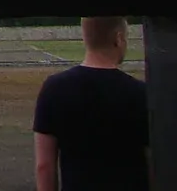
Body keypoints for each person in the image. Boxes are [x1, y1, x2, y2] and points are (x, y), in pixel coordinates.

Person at [31, 15, 149, 190]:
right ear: (118, 38)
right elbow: (153, 163)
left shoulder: (54, 89)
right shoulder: (141, 93)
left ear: (85, 37)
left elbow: (44, 167)